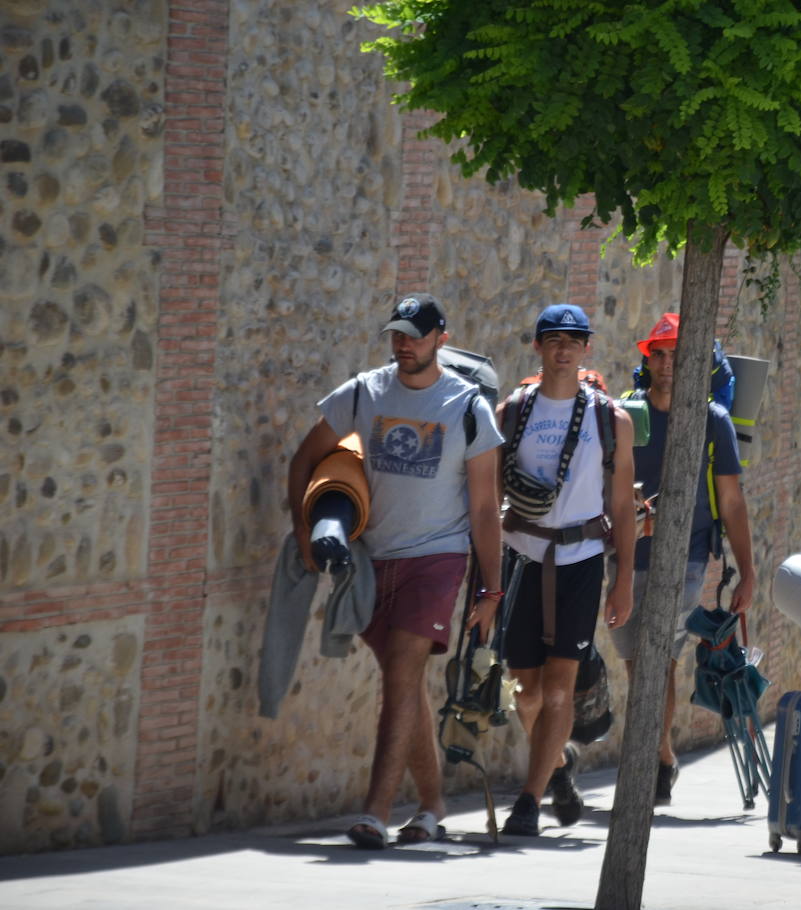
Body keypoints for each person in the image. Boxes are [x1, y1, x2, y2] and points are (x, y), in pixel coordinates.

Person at [287, 293, 504, 849]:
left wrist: (491, 588)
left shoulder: (467, 407)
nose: (403, 343)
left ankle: (375, 812)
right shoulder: (364, 391)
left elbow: (483, 507)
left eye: (415, 334)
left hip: (437, 559)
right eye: (397, 334)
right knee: (401, 685)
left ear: (441, 339)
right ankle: (432, 805)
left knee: (402, 678)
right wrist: (304, 532)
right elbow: (304, 459)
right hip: (371, 560)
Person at [497, 303, 636, 837]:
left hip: (579, 561)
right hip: (521, 558)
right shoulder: (511, 412)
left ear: (587, 349)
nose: (562, 348)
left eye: (573, 340)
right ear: (537, 346)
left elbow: (621, 506)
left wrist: (622, 579)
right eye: (552, 339)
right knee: (525, 692)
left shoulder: (610, 419)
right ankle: (556, 766)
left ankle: (528, 803)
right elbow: (489, 497)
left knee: (559, 690)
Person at [609, 312, 756, 804]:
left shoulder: (712, 421)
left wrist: (748, 574)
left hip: (688, 558)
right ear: (647, 359)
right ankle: (664, 754)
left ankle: (648, 762)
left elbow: (731, 502)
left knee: (661, 658)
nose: (668, 364)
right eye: (660, 354)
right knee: (636, 663)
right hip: (628, 557)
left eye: (678, 354)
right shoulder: (627, 416)